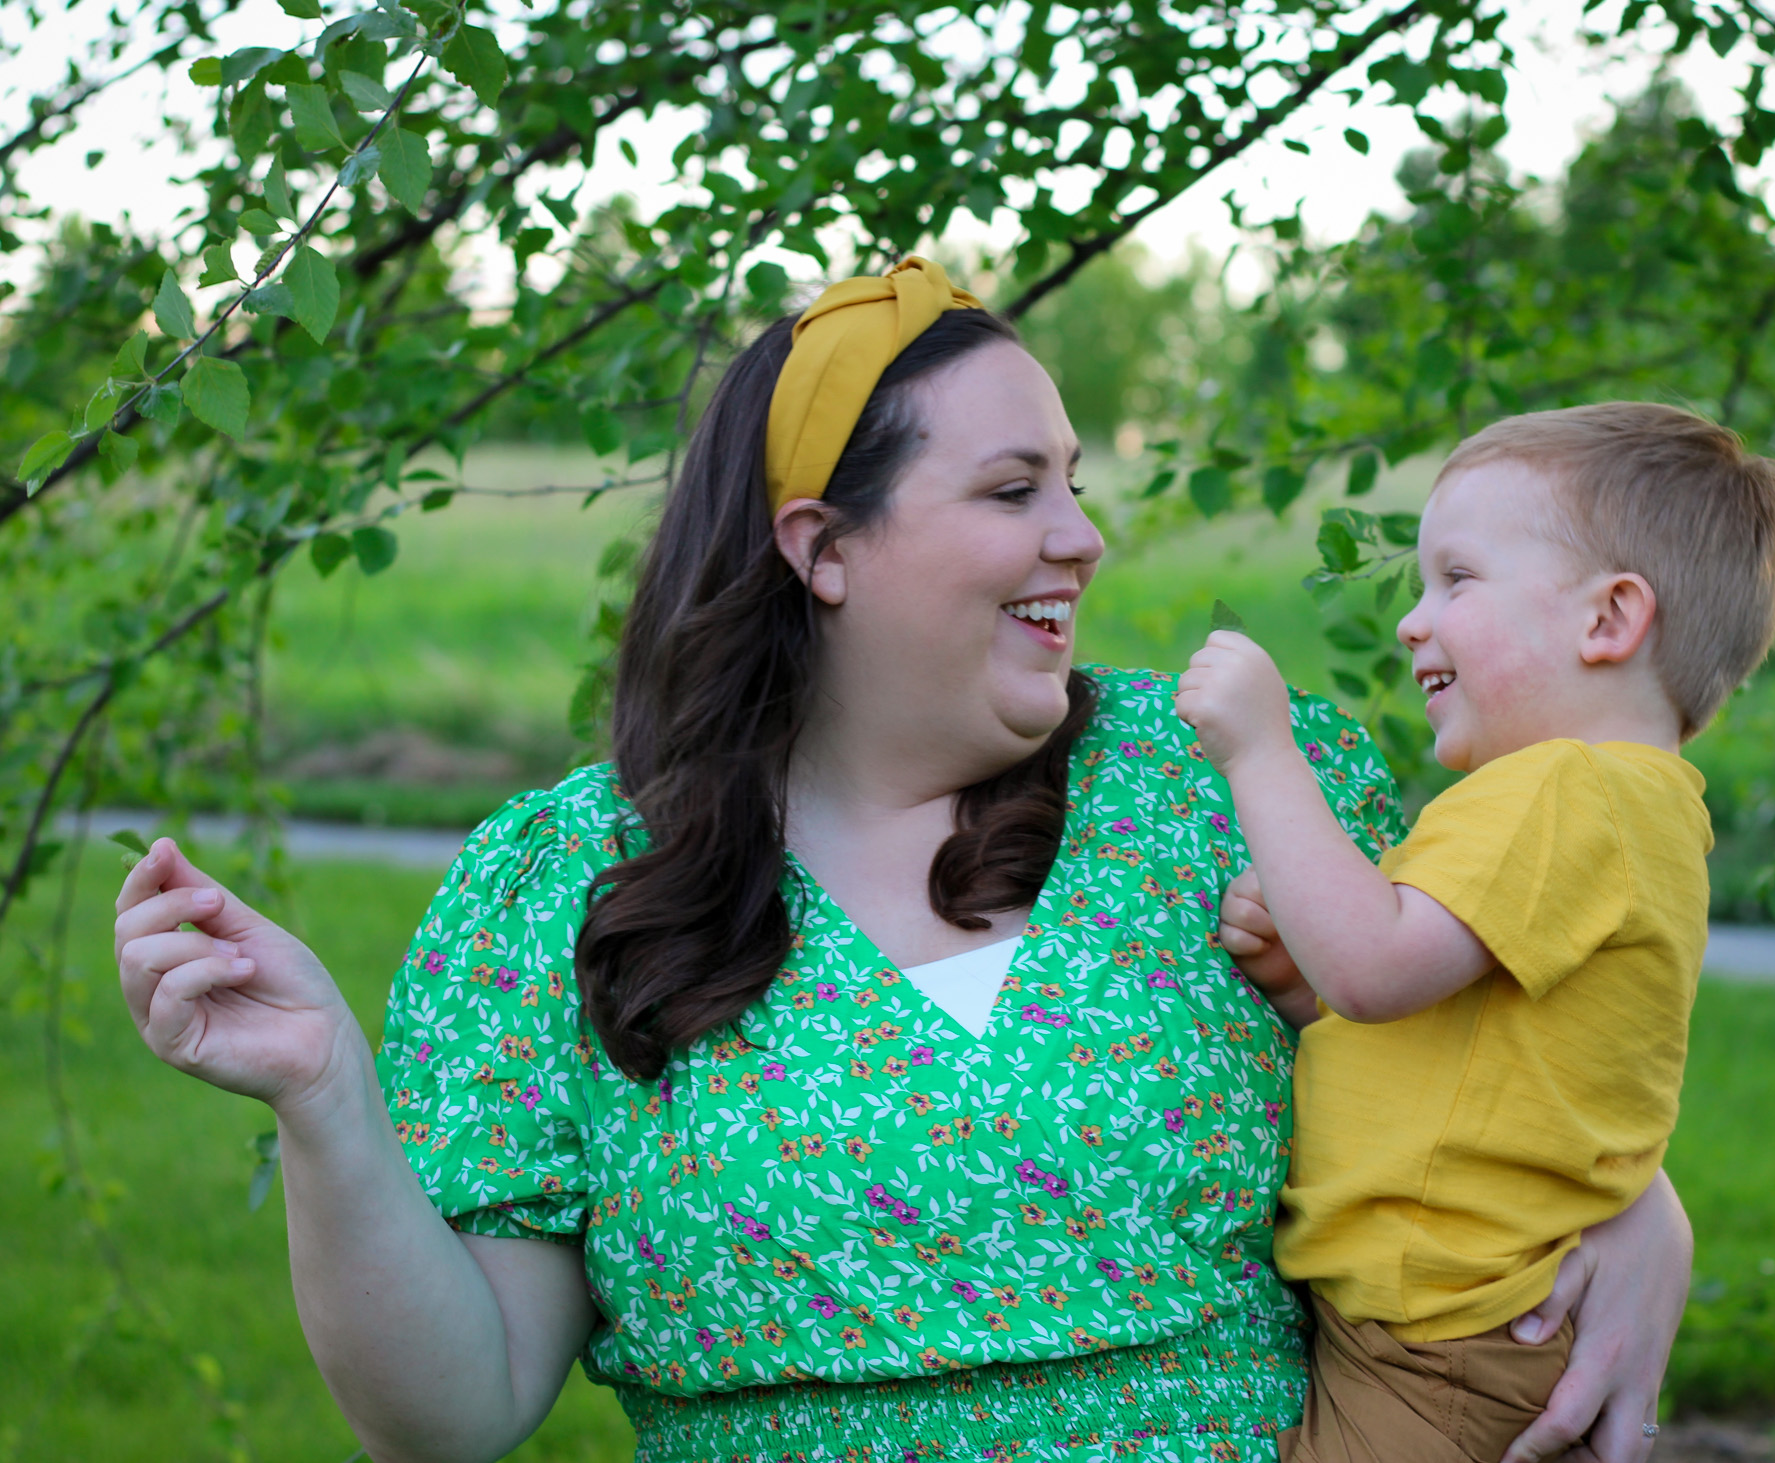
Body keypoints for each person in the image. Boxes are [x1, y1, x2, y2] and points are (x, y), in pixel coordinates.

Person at [114, 261, 1694, 1463]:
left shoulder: (1219, 787)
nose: (1082, 535)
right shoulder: (574, 885)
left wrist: (1640, 1205)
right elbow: (455, 1406)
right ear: (823, 547)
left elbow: (1507, 1029)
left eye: (1073, 479)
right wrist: (325, 1096)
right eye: (1016, 489)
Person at [1174, 403, 1775, 1463]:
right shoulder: (1634, 807)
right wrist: (1300, 983)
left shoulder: (1561, 789)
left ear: (1606, 619)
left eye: (1455, 579)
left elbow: (1375, 964)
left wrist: (1260, 751)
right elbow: (1463, 1041)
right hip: (1457, 1326)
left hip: (1444, 1341)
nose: (1412, 621)